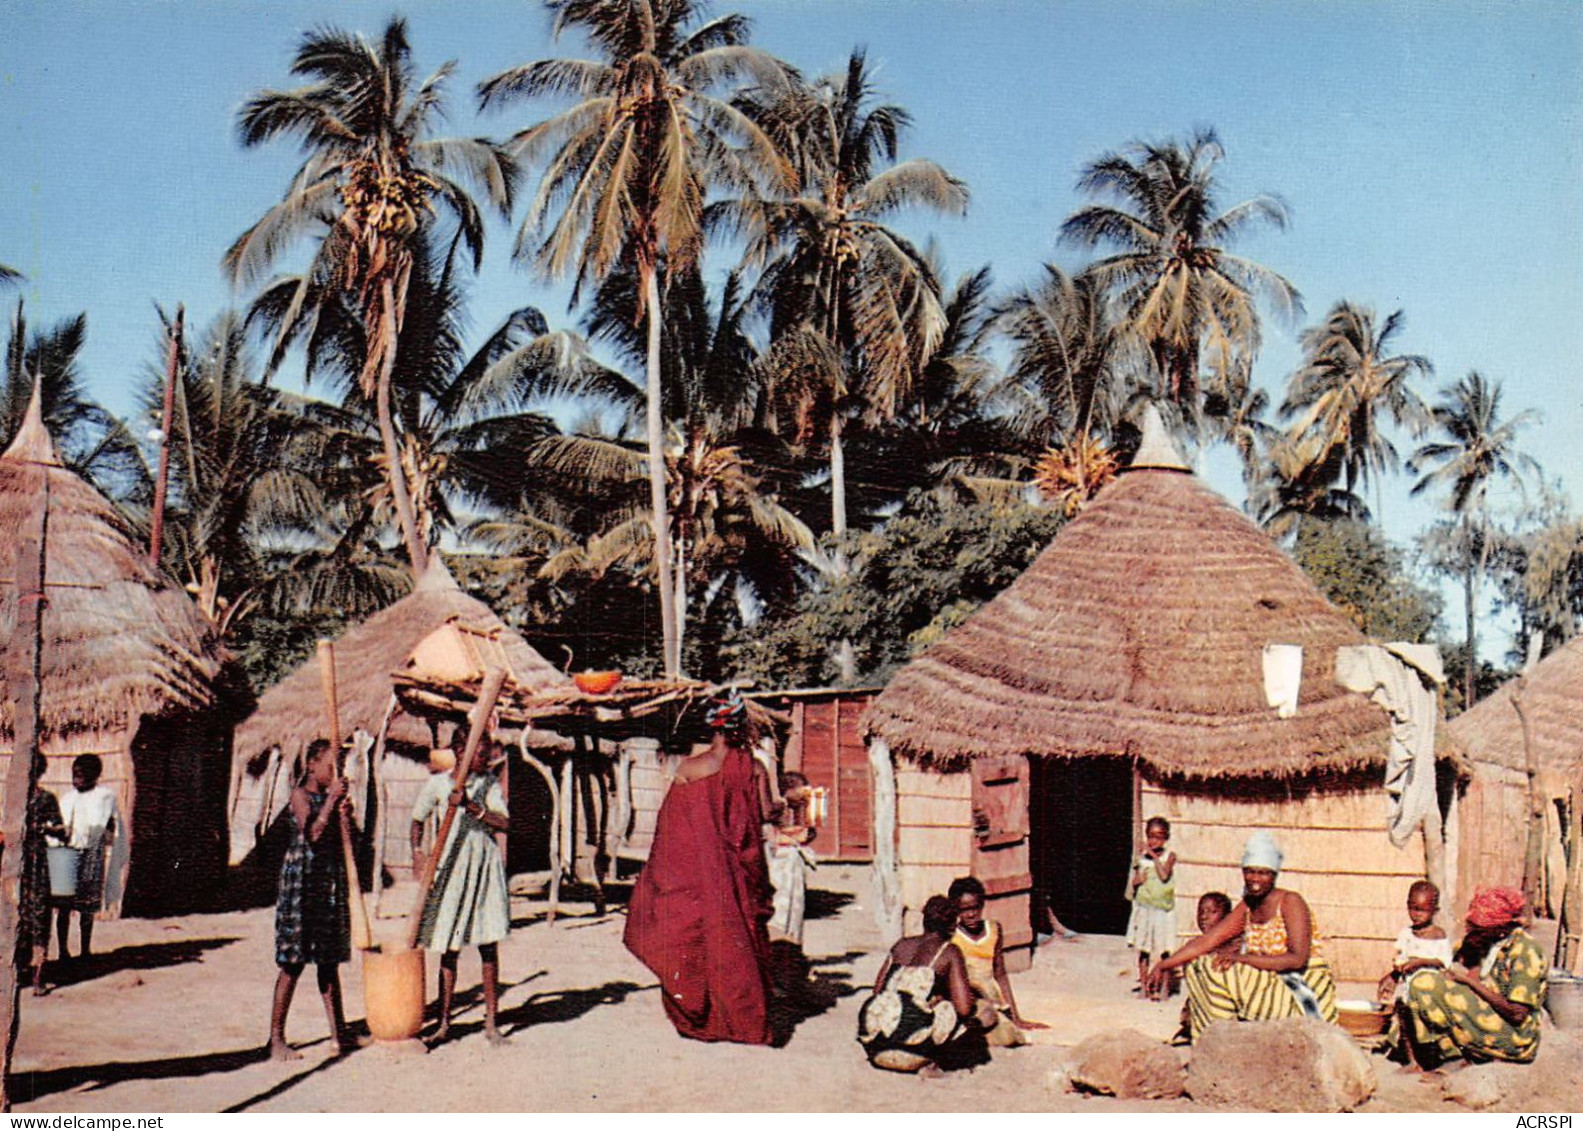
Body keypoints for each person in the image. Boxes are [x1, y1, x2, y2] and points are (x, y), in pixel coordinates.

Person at [623, 689, 774, 1045]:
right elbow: (766, 813)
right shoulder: (754, 768)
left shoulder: (688, 769)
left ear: (711, 728)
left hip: (696, 876)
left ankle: (702, 1018)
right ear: (740, 726)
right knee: (737, 941)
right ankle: (740, 1021)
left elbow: (670, 831)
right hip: (737, 875)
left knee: (694, 940)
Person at [1148, 831, 1337, 1041]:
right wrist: (1163, 965)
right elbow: (1208, 941)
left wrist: (1242, 959)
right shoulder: (1248, 905)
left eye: (1263, 873)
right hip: (1267, 978)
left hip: (1299, 983)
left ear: (1274, 875)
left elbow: (1297, 958)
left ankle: (1226, 1038)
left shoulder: (1290, 901)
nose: (1255, 879)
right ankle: (1214, 1039)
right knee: (1197, 964)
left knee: (1221, 970)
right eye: (1250, 872)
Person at [413, 740, 511, 1046]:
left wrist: (472, 807)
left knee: (488, 944)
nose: (487, 759)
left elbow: (505, 823)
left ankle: (491, 1024)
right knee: (449, 946)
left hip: (483, 868)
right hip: (451, 868)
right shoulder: (439, 784)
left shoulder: (489, 785)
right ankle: (443, 1023)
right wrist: (417, 852)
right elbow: (418, 818)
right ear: (461, 753)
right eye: (481, 754)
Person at [1392, 885, 1548, 1069]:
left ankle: (1451, 1055)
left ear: (1500, 928)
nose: (1472, 931)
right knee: (1422, 983)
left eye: (1479, 928)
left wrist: (1469, 982)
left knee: (1427, 986)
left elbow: (1516, 1014)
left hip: (1512, 1036)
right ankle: (1446, 1053)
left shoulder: (1525, 951)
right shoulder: (1487, 941)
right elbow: (1452, 960)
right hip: (1488, 1014)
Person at [269, 739, 355, 1060]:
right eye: (331, 766)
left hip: (327, 883)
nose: (335, 773)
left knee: (328, 962)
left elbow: (342, 838)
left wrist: (344, 814)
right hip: (302, 883)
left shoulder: (329, 796)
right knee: (293, 963)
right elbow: (313, 834)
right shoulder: (299, 796)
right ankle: (276, 1039)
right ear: (311, 765)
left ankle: (339, 1034)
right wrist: (332, 801)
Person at [857, 895, 987, 1076]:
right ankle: (934, 1061)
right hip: (911, 1055)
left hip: (876, 1049)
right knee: (952, 1007)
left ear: (924, 920)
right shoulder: (949, 952)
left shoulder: (901, 945)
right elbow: (964, 1008)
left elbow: (877, 992)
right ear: (953, 925)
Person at [948, 875, 1046, 1045]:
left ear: (982, 904)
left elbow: (1000, 974)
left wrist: (1016, 1016)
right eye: (964, 910)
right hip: (968, 1000)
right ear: (956, 910)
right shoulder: (952, 936)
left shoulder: (993, 929)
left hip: (993, 999)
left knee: (1009, 1036)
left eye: (975, 908)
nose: (971, 914)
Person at [54, 754, 119, 962]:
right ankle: (63, 950)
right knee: (64, 905)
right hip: (67, 852)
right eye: (74, 775)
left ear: (94, 776)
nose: (76, 779)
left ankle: (85, 949)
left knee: (87, 906)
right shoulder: (67, 798)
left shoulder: (104, 797)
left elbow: (110, 825)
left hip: (92, 854)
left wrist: (101, 836)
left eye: (81, 775)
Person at [17, 755, 65, 995]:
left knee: (38, 915)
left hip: (36, 864)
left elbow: (61, 830)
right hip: (16, 865)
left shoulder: (45, 798)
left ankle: (37, 976)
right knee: (18, 916)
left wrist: (43, 829)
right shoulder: (14, 799)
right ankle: (21, 972)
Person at [1171, 891, 1239, 1044]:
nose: (1204, 917)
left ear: (1227, 917)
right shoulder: (1198, 944)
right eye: (1201, 911)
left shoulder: (1236, 945)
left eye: (1212, 912)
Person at [1377, 880, 1453, 1005]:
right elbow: (1401, 959)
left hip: (1434, 995)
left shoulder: (1438, 935)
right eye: (1413, 909)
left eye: (1422, 911)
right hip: (1410, 993)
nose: (1416, 915)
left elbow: (1445, 962)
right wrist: (1395, 972)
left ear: (1434, 910)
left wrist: (1420, 962)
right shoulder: (1406, 934)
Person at [1125, 816, 1177, 1000]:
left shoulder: (1169, 856)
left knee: (1164, 950)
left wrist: (1153, 855)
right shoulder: (1141, 859)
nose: (1154, 841)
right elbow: (1134, 881)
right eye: (1151, 836)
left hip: (1162, 911)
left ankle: (1163, 988)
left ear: (1166, 838)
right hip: (1144, 909)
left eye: (1159, 836)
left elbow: (1164, 875)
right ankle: (1145, 987)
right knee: (1143, 949)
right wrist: (1138, 880)